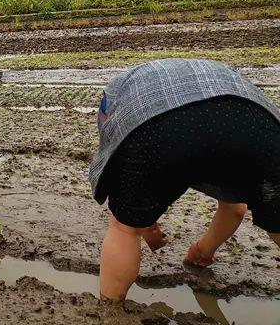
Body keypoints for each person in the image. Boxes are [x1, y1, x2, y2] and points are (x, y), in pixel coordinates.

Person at [89, 58, 280, 302]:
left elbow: (125, 160)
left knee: (124, 229)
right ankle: (202, 253)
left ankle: (110, 309)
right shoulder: (220, 76)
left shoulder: (118, 93)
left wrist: (138, 220)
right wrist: (203, 251)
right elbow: (234, 208)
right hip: (253, 121)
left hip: (159, 125)